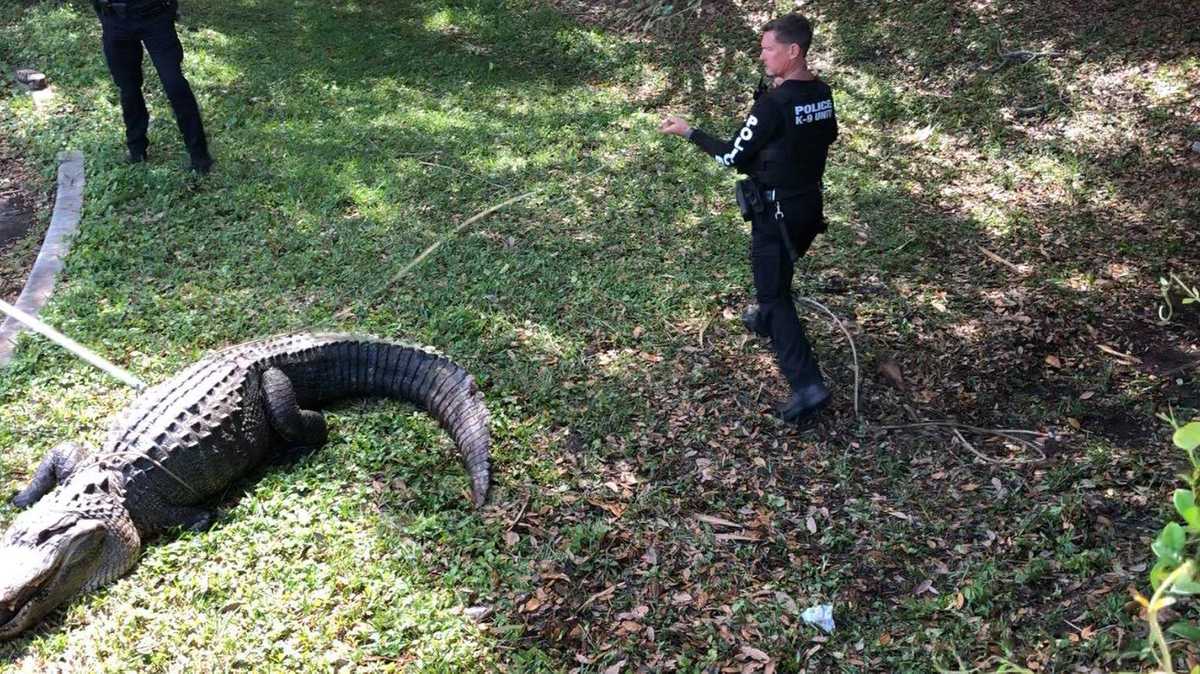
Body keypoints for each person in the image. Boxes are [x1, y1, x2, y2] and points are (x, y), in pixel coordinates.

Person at [659, 13, 838, 424]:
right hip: (808, 206)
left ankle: (807, 384)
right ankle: (762, 318)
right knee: (777, 274)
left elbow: (730, 155)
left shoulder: (773, 104)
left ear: (793, 52)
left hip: (775, 212)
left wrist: (688, 132)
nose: (762, 57)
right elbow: (824, 137)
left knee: (776, 296)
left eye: (768, 49)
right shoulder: (822, 92)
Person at [92, 0, 214, 174]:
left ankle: (200, 156)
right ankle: (136, 150)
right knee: (128, 88)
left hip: (155, 16)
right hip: (114, 18)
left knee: (174, 84)